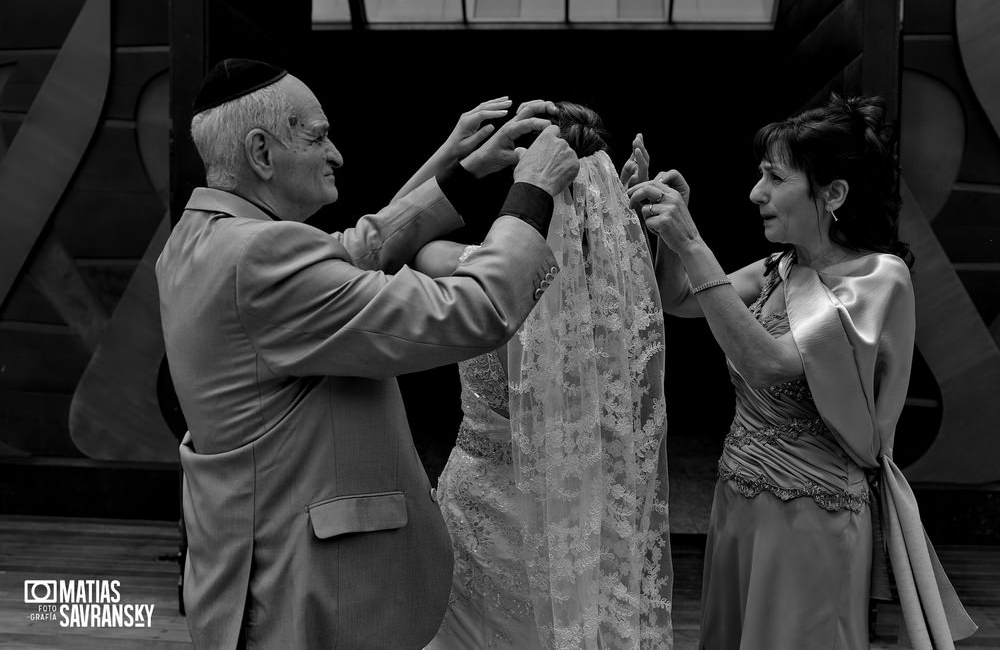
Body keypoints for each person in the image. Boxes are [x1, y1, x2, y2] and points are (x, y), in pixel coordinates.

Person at [155, 58, 580, 649]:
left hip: (249, 558)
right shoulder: (260, 258)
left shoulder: (200, 236)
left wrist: (460, 170)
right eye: (319, 135)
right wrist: (530, 195)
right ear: (261, 152)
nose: (337, 155)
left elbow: (355, 251)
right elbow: (474, 311)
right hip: (309, 585)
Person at [630, 93, 976, 649]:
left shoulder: (877, 280)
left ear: (833, 193)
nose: (755, 193)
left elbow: (768, 364)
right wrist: (664, 225)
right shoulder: (780, 267)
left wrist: (691, 240)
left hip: (813, 516)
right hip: (738, 501)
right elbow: (678, 298)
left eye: (773, 177)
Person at [415, 103, 673, 649]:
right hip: (581, 507)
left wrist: (458, 160)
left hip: (482, 501)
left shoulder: (461, 265)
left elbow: (396, 243)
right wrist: (628, 234)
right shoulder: (620, 297)